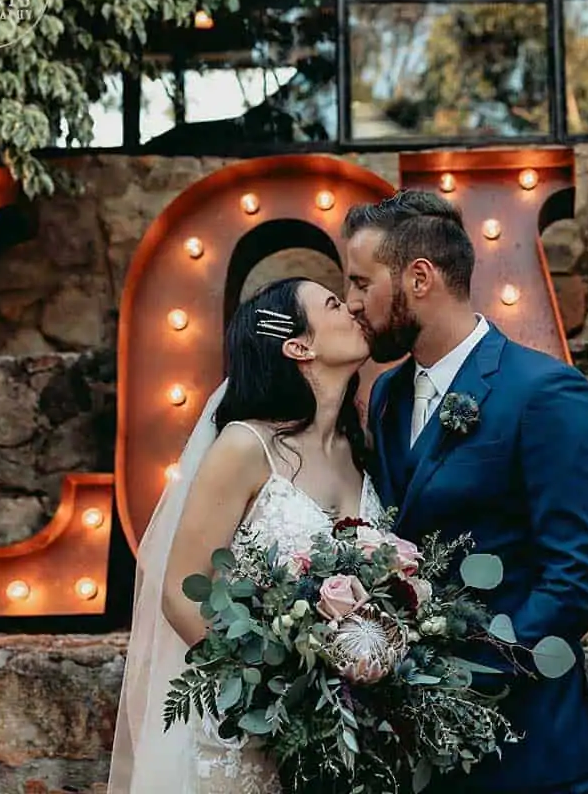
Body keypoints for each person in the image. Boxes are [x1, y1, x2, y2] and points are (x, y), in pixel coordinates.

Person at [342, 190, 588, 794]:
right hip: (413, 752)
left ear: (419, 278)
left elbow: (579, 577)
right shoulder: (386, 395)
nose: (352, 302)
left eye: (361, 282)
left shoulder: (545, 392)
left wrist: (463, 677)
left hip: (525, 746)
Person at [108, 277, 378, 793]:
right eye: (333, 304)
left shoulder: (359, 447)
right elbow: (179, 593)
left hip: (346, 738)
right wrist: (270, 691)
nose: (352, 308)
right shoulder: (244, 446)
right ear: (299, 347)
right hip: (248, 735)